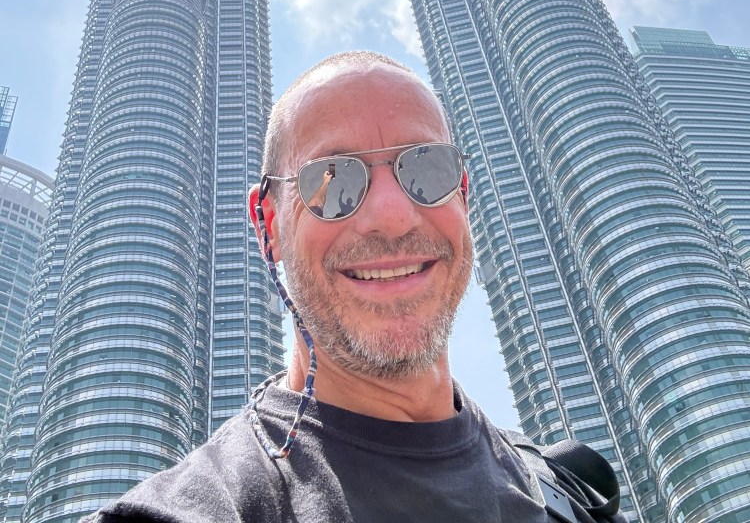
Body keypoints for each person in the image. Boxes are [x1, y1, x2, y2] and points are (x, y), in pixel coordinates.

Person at [84, 51, 627, 522]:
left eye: (427, 169)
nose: (393, 216)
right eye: (334, 178)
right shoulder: (191, 510)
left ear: (463, 195)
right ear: (268, 225)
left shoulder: (569, 495)